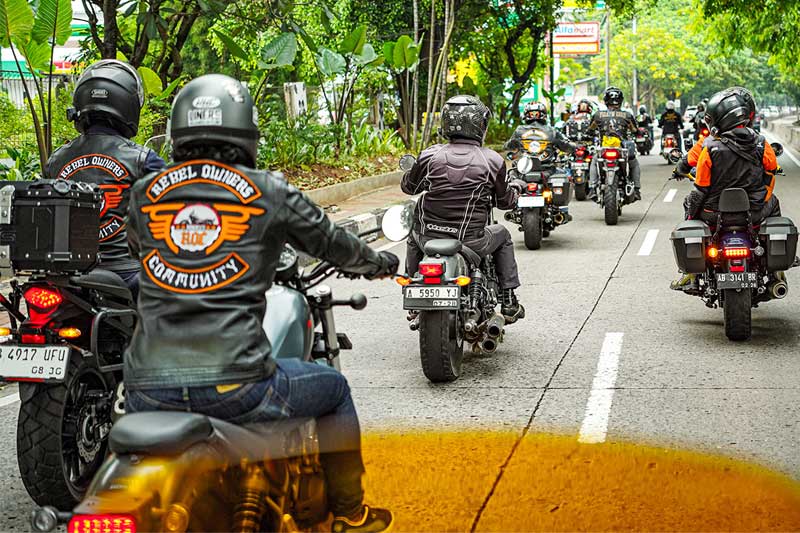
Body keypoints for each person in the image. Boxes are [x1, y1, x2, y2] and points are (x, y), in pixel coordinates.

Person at [125, 74, 398, 533]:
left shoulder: (144, 192)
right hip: (236, 387)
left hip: (145, 389)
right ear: (244, 130)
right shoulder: (266, 190)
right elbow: (331, 242)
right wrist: (376, 263)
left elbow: (141, 249)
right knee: (334, 389)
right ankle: (350, 514)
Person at [45, 60, 165, 297]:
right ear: (128, 103)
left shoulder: (56, 160)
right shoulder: (142, 159)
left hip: (68, 275)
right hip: (126, 274)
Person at [401, 95, 525, 323]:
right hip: (471, 241)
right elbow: (505, 202)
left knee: (412, 235)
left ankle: (411, 285)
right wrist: (516, 189)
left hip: (428, 238)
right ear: (480, 124)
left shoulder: (429, 155)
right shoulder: (492, 160)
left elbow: (409, 187)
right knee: (503, 234)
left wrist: (414, 172)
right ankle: (508, 300)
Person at [671, 87, 781, 290]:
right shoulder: (761, 143)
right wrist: (762, 196)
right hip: (754, 212)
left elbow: (701, 187)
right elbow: (771, 169)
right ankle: (776, 272)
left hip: (715, 214)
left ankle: (692, 274)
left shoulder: (709, 146)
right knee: (774, 202)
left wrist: (692, 214)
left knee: (689, 203)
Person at [586, 86, 642, 201]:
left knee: (594, 161)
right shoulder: (627, 115)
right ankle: (636, 189)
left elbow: (590, 130)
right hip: (621, 148)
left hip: (604, 148)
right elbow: (635, 130)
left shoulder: (598, 115)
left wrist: (589, 134)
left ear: (606, 100)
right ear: (621, 100)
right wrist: (637, 133)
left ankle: (592, 188)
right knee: (633, 163)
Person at [507, 102, 576, 156]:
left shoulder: (519, 130)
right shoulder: (552, 131)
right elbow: (567, 146)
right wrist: (573, 146)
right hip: (547, 166)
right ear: (544, 115)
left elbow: (508, 146)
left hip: (524, 166)